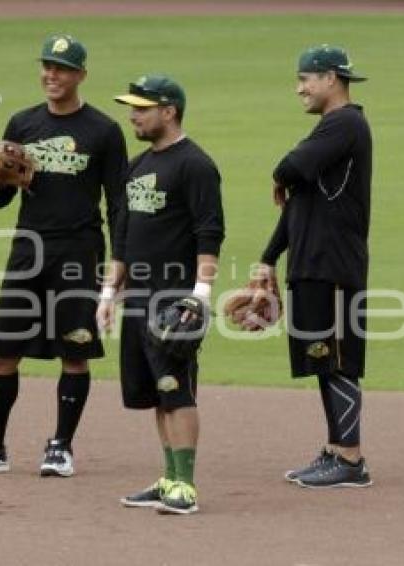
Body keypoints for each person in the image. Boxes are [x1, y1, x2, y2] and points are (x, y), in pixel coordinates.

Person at [0, 34, 128, 477]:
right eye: (47, 66)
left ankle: (60, 447)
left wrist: (120, 261)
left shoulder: (103, 131)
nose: (52, 75)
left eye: (62, 68)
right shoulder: (22, 124)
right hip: (29, 249)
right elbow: (2, 203)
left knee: (75, 352)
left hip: (79, 253)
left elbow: (117, 201)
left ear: (80, 74)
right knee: (4, 350)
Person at [97, 75, 225, 514]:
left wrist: (201, 294)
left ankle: (185, 487)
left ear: (168, 111)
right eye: (131, 106)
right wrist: (109, 293)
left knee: (176, 389)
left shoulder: (196, 165)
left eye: (142, 107)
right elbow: (125, 236)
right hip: (137, 298)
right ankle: (169, 477)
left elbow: (210, 232)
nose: (132, 114)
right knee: (155, 393)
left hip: (173, 299)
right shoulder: (139, 165)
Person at [259, 44, 373, 488]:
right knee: (322, 358)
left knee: (339, 359)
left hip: (335, 265)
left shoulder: (346, 123)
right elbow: (295, 206)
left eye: (305, 78)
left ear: (331, 78)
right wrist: (268, 259)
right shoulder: (330, 133)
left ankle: (350, 459)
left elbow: (288, 166)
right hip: (311, 264)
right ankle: (336, 448)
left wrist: (280, 175)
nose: (299, 88)